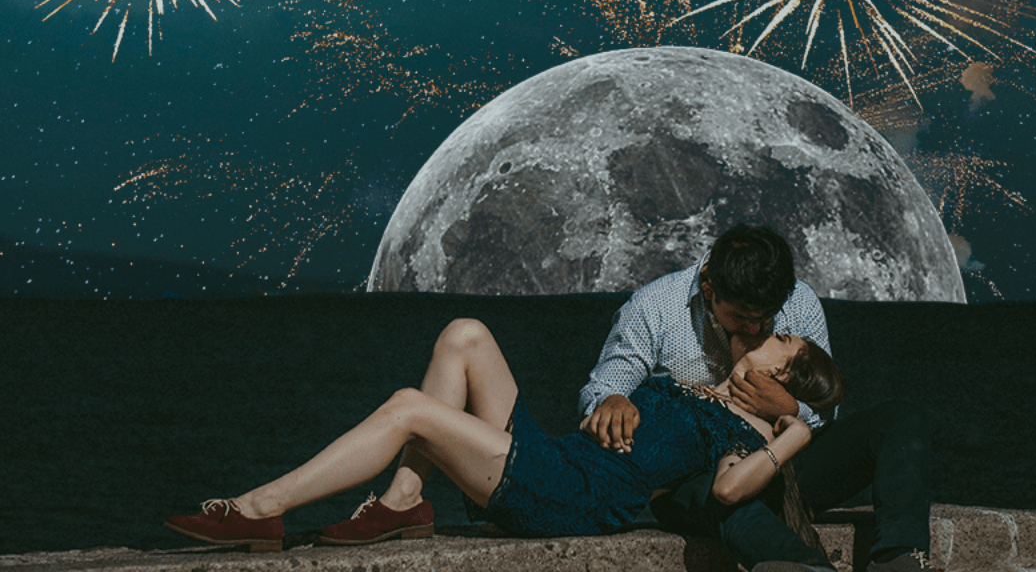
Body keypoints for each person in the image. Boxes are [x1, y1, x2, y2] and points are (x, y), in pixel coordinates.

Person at [164, 317, 844, 552]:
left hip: (569, 500)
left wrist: (795, 434)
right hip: (557, 462)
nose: (765, 335)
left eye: (781, 340)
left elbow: (729, 491)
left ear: (789, 376)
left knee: (410, 408)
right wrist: (612, 398)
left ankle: (259, 511)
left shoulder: (746, 432)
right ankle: (403, 503)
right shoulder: (702, 386)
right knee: (466, 335)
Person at [578, 223, 937, 572]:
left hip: (785, 466)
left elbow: (827, 403)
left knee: (900, 420)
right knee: (726, 495)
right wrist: (613, 399)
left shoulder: (800, 301)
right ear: (708, 288)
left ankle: (899, 560)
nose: (754, 329)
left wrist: (791, 410)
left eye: (766, 320)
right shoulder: (654, 306)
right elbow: (603, 388)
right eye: (741, 317)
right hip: (701, 479)